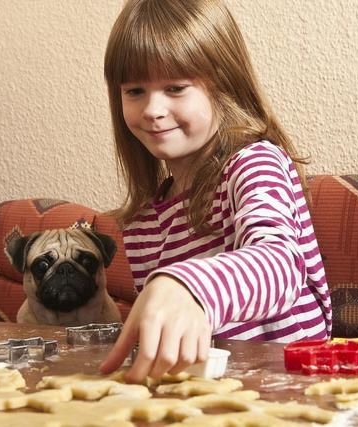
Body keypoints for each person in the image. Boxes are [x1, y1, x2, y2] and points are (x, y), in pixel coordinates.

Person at [99, 0, 332, 383]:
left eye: (175, 88)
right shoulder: (142, 222)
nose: (153, 109)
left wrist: (185, 284)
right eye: (135, 90)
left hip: (291, 391)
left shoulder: (255, 163)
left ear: (223, 85)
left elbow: (279, 266)